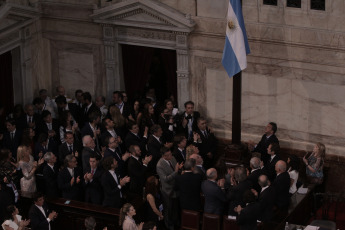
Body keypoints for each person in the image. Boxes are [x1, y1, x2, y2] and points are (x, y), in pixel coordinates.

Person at [156, 147, 183, 230]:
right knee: (168, 209)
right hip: (167, 191)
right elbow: (165, 179)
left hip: (176, 187)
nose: (171, 156)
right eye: (168, 155)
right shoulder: (159, 165)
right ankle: (169, 226)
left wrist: (179, 169)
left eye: (171, 154)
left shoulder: (173, 158)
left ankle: (176, 222)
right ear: (163, 156)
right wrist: (175, 171)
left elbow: (177, 170)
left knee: (175, 207)